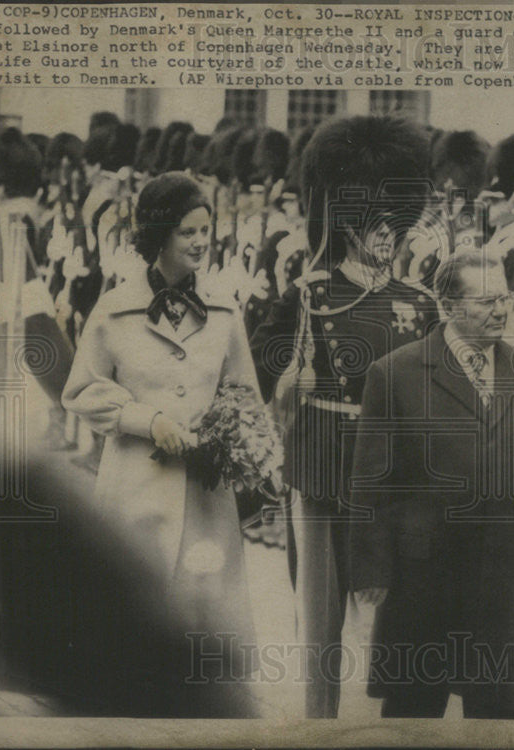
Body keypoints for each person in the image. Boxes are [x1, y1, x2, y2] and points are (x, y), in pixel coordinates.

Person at [249, 114, 441, 719]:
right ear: (351, 224)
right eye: (378, 225)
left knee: (403, 604)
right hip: (328, 456)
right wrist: (288, 376)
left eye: (396, 224)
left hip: (395, 466)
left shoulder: (420, 302)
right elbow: (261, 363)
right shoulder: (311, 294)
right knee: (322, 610)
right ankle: (319, 717)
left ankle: (401, 716)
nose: (390, 237)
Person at [349, 249, 514, 719]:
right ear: (448, 306)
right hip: (425, 582)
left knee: (496, 719)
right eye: (486, 300)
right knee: (412, 717)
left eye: (505, 297)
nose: (500, 310)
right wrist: (371, 569)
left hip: (506, 580)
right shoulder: (394, 374)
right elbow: (373, 481)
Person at [61, 172, 259, 704]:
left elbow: (244, 395)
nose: (200, 242)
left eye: (205, 231)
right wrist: (145, 420)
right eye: (187, 232)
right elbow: (79, 391)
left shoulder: (223, 309)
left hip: (205, 496)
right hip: (134, 488)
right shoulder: (114, 308)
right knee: (132, 626)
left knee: (204, 639)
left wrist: (235, 440)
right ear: (158, 236)